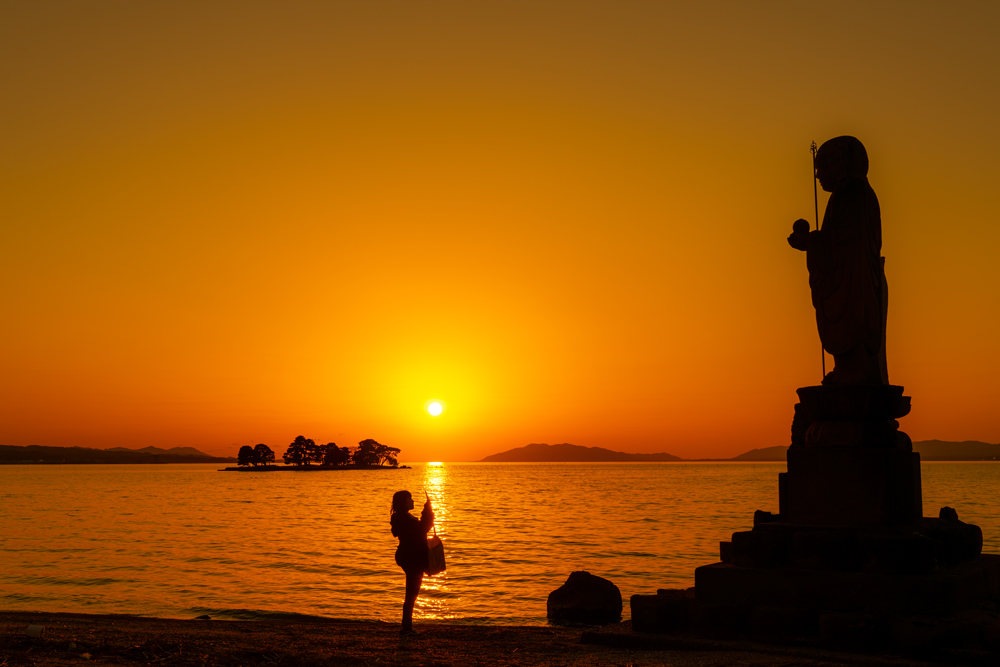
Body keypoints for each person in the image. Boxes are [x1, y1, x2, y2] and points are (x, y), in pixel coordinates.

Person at [788, 136, 889, 386]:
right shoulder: (857, 193)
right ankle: (848, 368)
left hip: (854, 280)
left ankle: (854, 370)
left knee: (852, 322)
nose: (818, 175)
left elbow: (846, 242)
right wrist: (815, 241)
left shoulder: (850, 192)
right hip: (858, 278)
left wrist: (811, 241)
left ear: (839, 160)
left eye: (822, 166)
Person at [390, 489, 433, 636]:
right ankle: (407, 628)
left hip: (408, 556)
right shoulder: (404, 519)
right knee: (411, 594)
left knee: (411, 593)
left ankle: (407, 626)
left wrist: (427, 511)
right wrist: (428, 511)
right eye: (410, 499)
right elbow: (424, 528)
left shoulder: (401, 517)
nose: (412, 501)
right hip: (412, 558)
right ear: (403, 502)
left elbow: (421, 528)